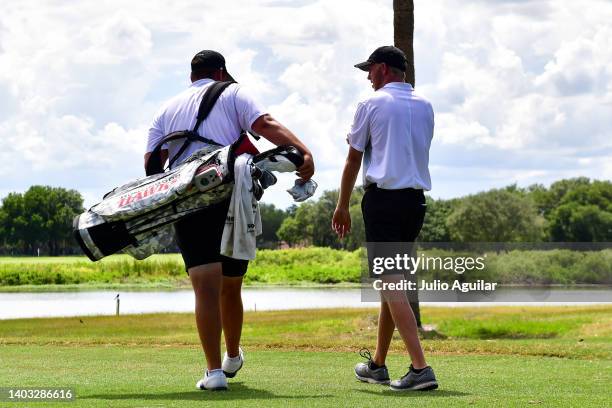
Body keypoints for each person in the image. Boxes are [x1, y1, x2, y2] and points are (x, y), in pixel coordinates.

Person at [145, 50, 314, 391]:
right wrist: (303, 153)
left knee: (205, 286)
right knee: (231, 285)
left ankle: (214, 372)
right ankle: (233, 354)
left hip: (190, 197)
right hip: (233, 196)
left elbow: (152, 164)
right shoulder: (233, 92)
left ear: (192, 76)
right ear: (221, 72)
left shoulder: (167, 108)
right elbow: (264, 125)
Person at [332, 46, 437, 391]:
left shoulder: (370, 104)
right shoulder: (425, 105)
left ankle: (420, 368)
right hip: (415, 204)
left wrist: (342, 204)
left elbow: (353, 159)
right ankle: (377, 363)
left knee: (391, 282)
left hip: (384, 201)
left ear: (383, 69)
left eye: (370, 69)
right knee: (392, 283)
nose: (367, 76)